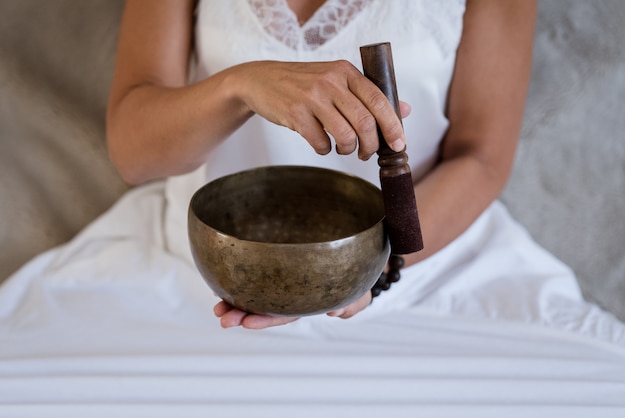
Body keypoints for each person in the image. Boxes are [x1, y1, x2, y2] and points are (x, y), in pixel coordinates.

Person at [105, 0, 539, 330]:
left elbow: (481, 157)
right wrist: (240, 86)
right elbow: (133, 152)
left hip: (428, 280)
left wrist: (372, 268)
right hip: (193, 275)